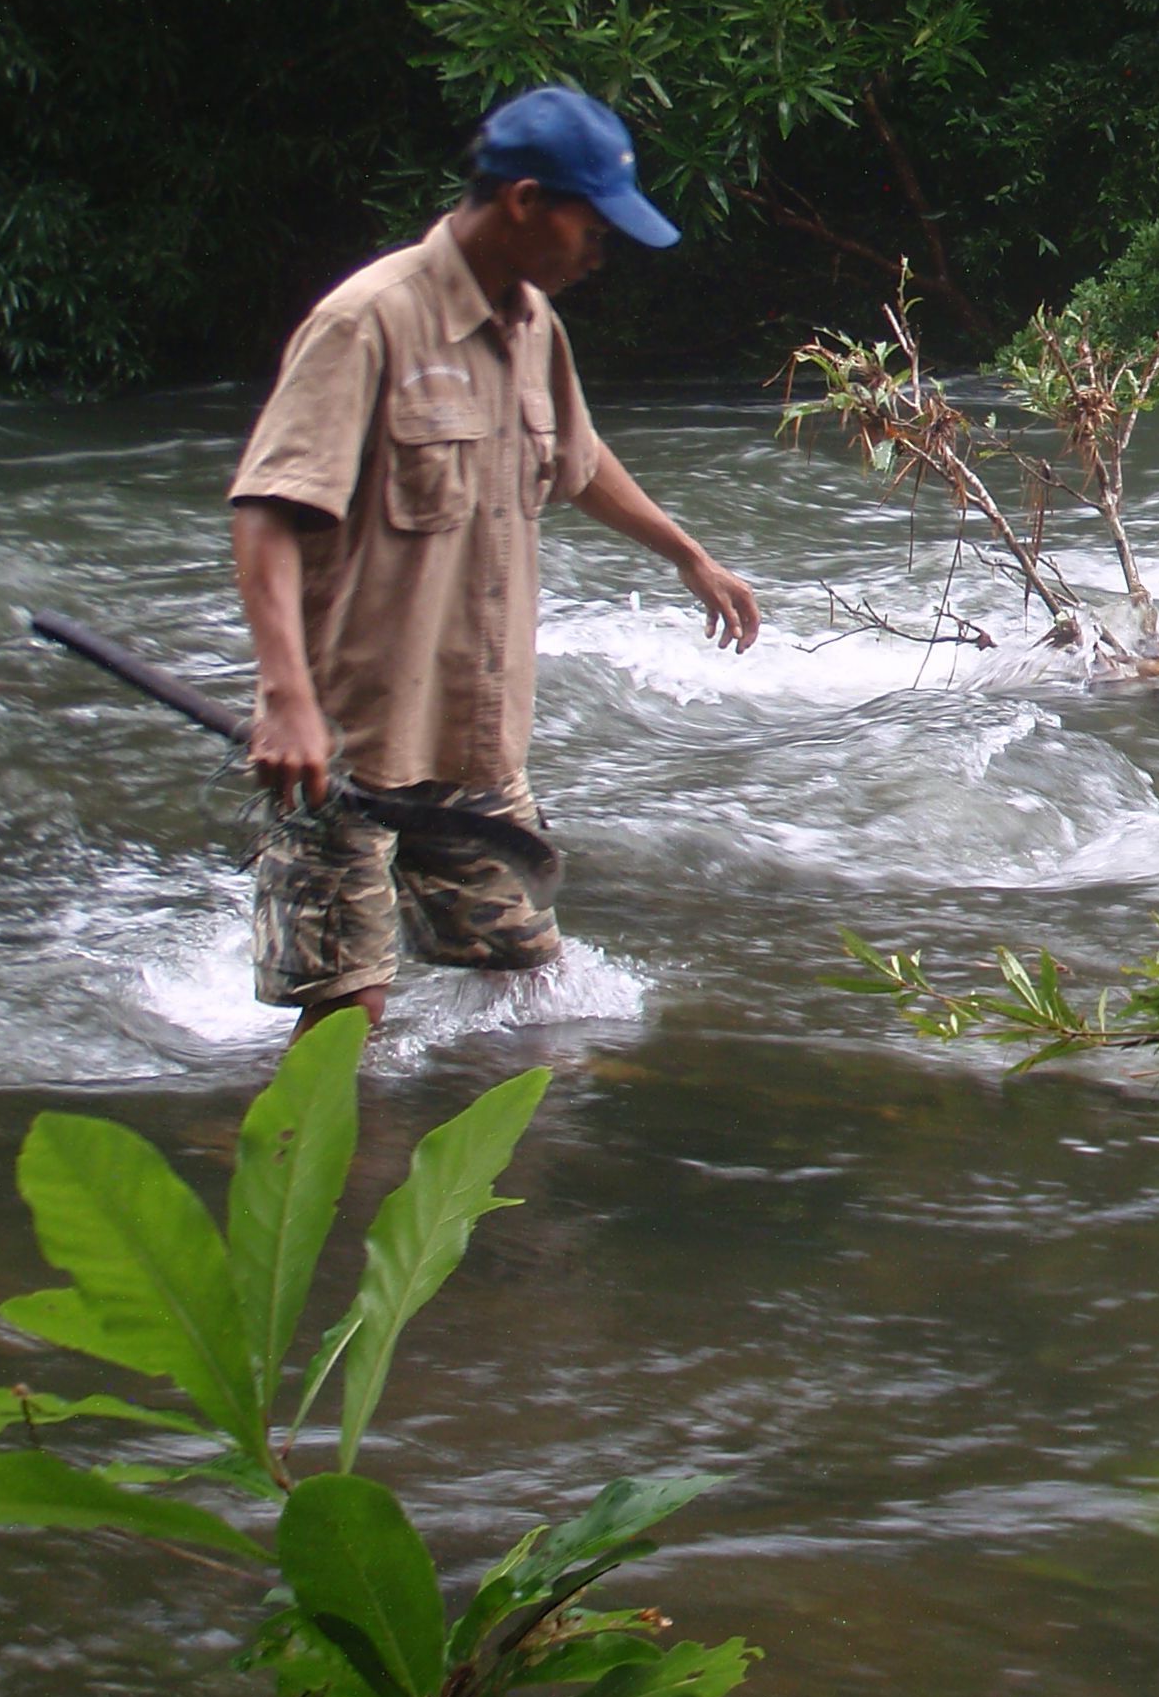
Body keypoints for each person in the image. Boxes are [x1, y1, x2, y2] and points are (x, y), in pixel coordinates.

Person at [226, 86, 762, 1030]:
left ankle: (492, 1176)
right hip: (350, 743)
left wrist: (689, 555)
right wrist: (284, 698)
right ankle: (305, 1175)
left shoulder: (533, 326)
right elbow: (267, 510)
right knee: (347, 1013)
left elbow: (579, 462)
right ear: (523, 202)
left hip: (474, 741)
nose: (602, 252)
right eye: (592, 226)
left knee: (531, 991)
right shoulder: (369, 322)